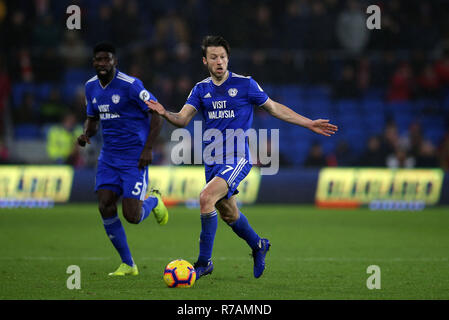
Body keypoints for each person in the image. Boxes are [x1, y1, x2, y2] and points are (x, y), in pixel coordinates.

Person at [146, 36, 338, 279]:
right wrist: (164, 112)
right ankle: (259, 245)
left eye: (223, 57)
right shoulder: (200, 89)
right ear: (205, 61)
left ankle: (204, 263)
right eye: (214, 57)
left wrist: (309, 123)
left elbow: (275, 108)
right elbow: (182, 120)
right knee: (228, 213)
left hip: (237, 158)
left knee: (205, 197)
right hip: (212, 161)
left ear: (228, 59)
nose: (219, 61)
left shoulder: (246, 85)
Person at [77, 42, 169, 276]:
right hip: (109, 157)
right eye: (98, 59)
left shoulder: (131, 85)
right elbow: (93, 119)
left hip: (134, 158)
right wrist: (87, 134)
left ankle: (155, 201)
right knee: (105, 204)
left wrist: (148, 149)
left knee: (132, 216)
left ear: (114, 61)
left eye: (106, 59)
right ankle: (128, 264)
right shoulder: (90, 87)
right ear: (93, 62)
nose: (102, 63)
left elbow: (158, 113)